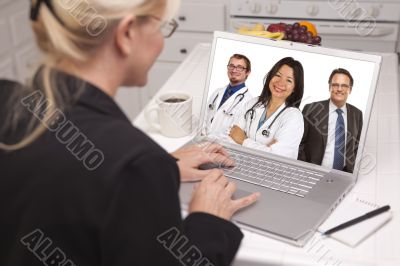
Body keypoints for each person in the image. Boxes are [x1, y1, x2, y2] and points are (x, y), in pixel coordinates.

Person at [0, 1, 260, 266]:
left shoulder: (6, 99)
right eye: (161, 28)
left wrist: (153, 170)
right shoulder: (135, 162)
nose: (161, 41)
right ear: (126, 34)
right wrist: (209, 221)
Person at [229, 57, 304, 159]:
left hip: (273, 172)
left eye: (289, 80)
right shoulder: (253, 103)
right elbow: (232, 135)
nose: (280, 83)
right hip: (240, 164)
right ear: (270, 76)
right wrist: (265, 148)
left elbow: (277, 156)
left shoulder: (294, 117)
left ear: (295, 88)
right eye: (278, 75)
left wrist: (244, 140)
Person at [298, 68, 363, 173]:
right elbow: (299, 142)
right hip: (313, 172)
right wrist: (306, 168)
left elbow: (357, 146)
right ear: (329, 87)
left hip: (344, 174)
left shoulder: (357, 114)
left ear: (350, 89)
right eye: (335, 84)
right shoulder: (311, 109)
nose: (339, 89)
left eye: (344, 86)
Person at [204, 54, 253, 138]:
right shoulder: (217, 92)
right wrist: (202, 134)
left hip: (221, 146)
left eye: (240, 67)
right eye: (231, 66)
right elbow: (205, 115)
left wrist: (210, 140)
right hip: (202, 141)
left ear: (247, 72)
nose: (234, 70)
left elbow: (235, 132)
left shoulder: (248, 102)